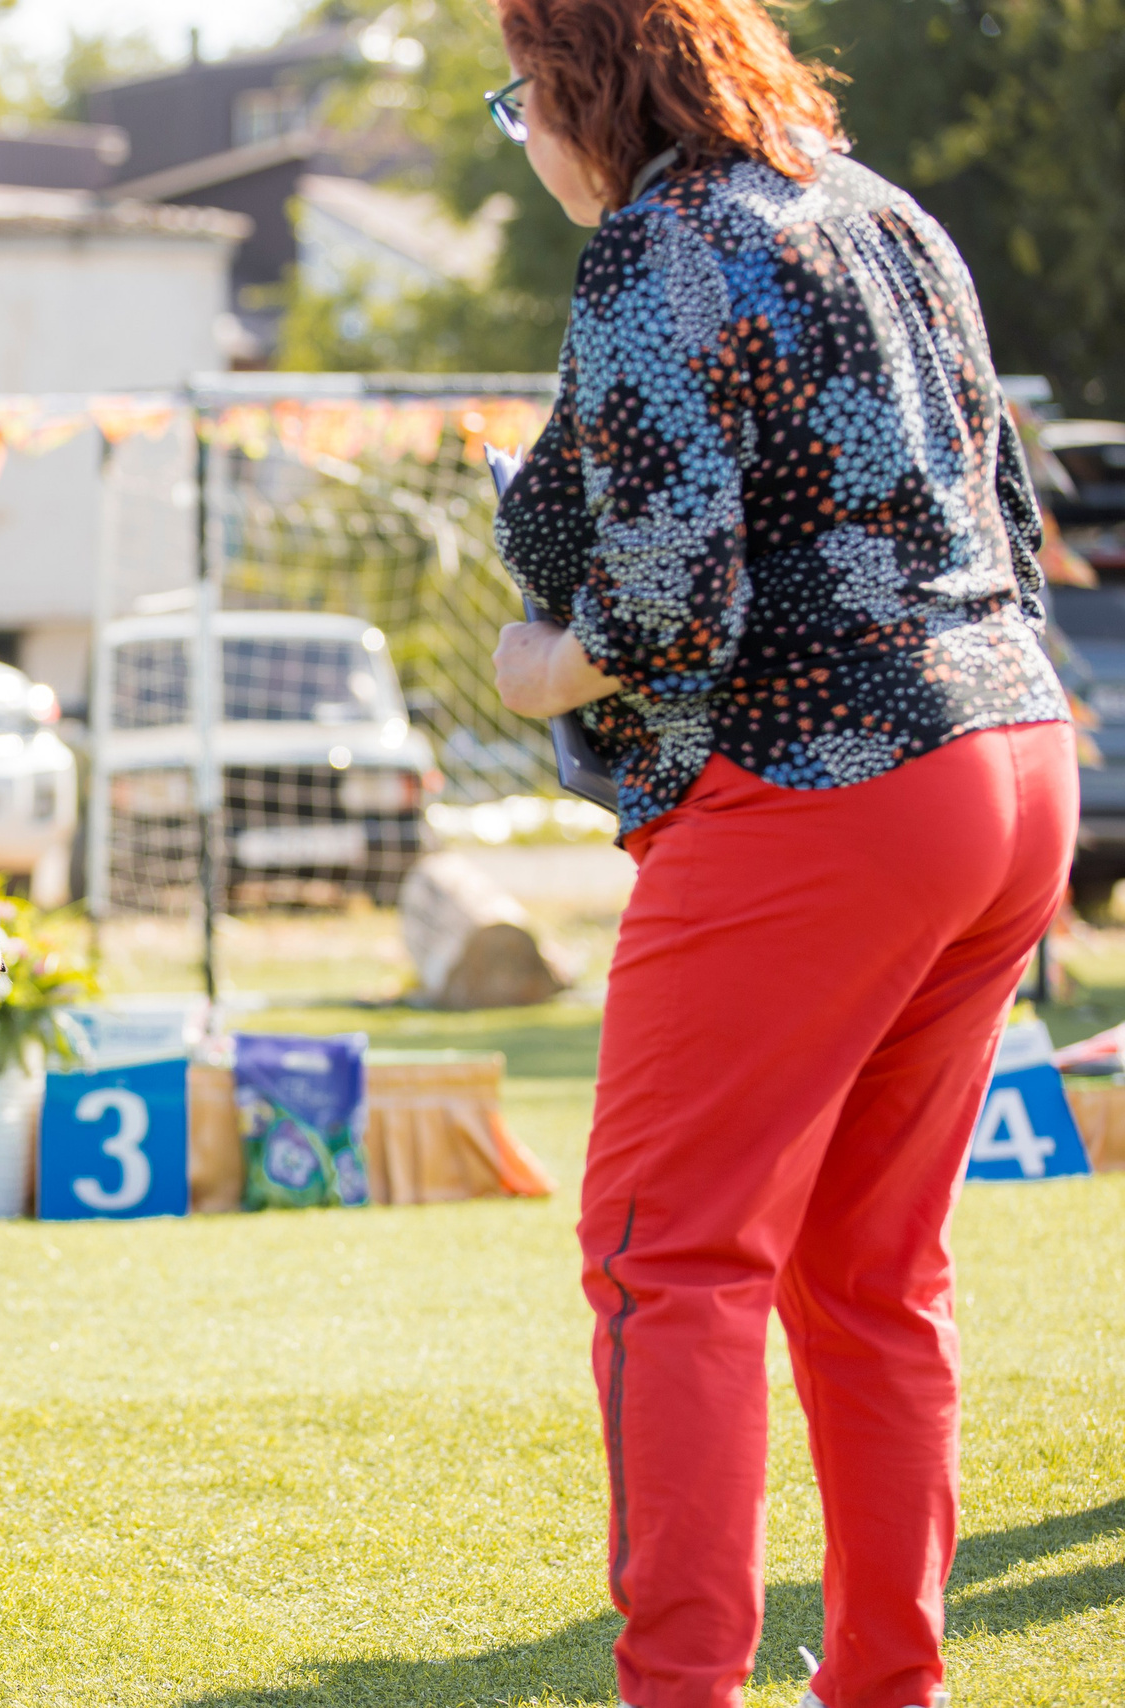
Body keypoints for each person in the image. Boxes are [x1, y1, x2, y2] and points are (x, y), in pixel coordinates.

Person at [483, 4, 1076, 1706]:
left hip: (826, 780)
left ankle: (681, 1685)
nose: (520, 134)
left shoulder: (657, 245)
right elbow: (998, 508)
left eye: (521, 95)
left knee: (669, 1259)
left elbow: (669, 600)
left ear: (585, 83)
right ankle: (889, 1678)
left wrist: (536, 662)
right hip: (1005, 755)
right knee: (872, 1273)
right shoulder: (879, 207)